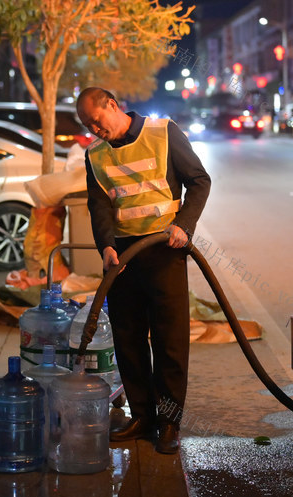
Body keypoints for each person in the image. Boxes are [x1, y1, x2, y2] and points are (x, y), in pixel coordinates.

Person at [75, 87, 211, 455]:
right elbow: (98, 204)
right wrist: (105, 244)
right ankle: (142, 417)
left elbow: (200, 181)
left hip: (165, 251)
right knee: (128, 339)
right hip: (121, 257)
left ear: (113, 106)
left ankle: (169, 422)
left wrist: (184, 225)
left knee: (169, 341)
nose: (94, 130)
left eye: (97, 121)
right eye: (87, 126)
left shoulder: (163, 133)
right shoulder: (96, 155)